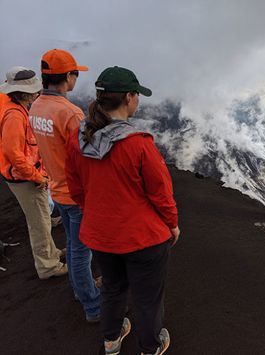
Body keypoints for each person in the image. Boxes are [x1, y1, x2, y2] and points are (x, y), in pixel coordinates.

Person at [65, 66, 179, 355]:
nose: (138, 101)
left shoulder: (78, 139)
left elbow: (75, 187)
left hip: (100, 235)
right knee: (148, 297)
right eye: (137, 95)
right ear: (129, 97)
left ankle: (111, 340)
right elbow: (161, 194)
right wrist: (172, 225)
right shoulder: (139, 145)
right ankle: (151, 346)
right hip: (143, 239)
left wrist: (94, 214)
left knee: (113, 288)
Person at [28, 49, 101, 322]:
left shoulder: (36, 106)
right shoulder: (70, 113)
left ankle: (79, 289)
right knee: (82, 251)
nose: (76, 79)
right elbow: (87, 156)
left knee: (72, 244)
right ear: (68, 76)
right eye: (75, 74)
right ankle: (93, 306)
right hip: (76, 192)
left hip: (57, 188)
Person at [0, 66, 66, 279]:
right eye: (34, 91)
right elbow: (14, 154)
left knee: (42, 217)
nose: (38, 93)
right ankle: (48, 266)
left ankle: (51, 253)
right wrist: (37, 177)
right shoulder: (14, 116)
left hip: (23, 174)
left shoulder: (16, 108)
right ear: (23, 93)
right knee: (39, 222)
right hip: (24, 177)